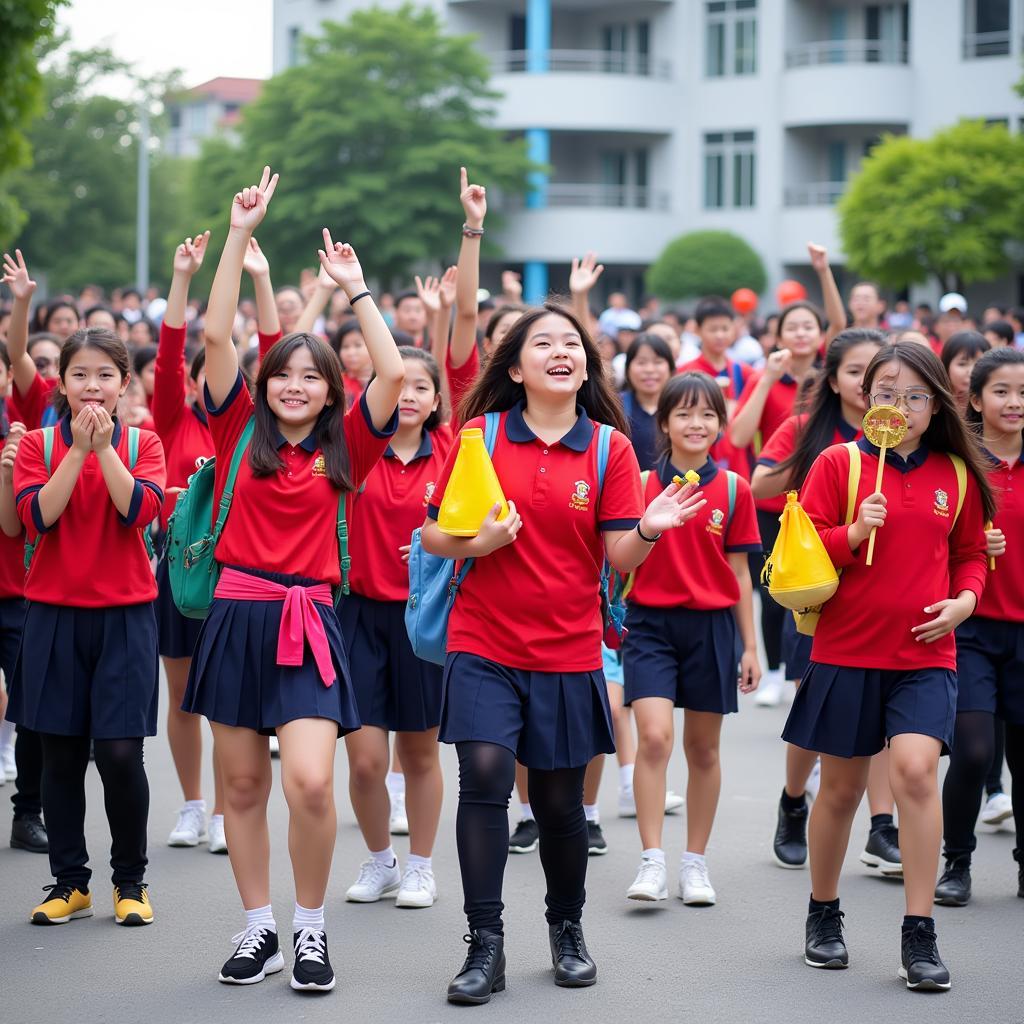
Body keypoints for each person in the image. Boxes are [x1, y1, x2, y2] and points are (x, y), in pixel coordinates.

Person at [421, 298, 707, 1005]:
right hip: (483, 637)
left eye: (572, 343)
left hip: (568, 647)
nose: (561, 351)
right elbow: (432, 536)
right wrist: (477, 544)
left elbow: (617, 557)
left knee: (558, 804)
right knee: (484, 774)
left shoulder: (611, 448)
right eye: (543, 342)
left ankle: (566, 927)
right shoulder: (479, 436)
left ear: (585, 366)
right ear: (515, 368)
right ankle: (484, 944)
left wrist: (649, 526)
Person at [180, 168, 403, 993]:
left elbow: (389, 376)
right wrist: (239, 234)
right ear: (264, 384)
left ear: (327, 389)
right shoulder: (237, 424)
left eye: (311, 377)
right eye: (283, 375)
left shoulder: (349, 445)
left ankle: (311, 929)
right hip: (237, 617)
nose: (295, 386)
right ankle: (259, 927)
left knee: (311, 781)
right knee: (241, 783)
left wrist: (356, 292)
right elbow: (212, 339)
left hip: (312, 622)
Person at [782, 341, 993, 992]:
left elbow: (970, 557)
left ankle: (919, 930)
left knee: (914, 772)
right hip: (846, 651)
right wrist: (851, 531)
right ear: (863, 400)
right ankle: (823, 913)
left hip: (926, 654)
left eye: (912, 397)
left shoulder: (957, 473)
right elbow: (801, 549)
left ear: (936, 406)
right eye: (884, 394)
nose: (897, 407)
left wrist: (965, 601)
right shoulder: (837, 464)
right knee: (841, 791)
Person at [11, 327, 166, 927]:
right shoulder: (39, 447)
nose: (92, 386)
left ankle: (130, 881)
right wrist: (76, 451)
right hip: (52, 616)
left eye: (105, 375)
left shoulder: (143, 443)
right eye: (80, 375)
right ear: (63, 384)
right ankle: (69, 882)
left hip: (125, 617)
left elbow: (139, 513)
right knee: (61, 754)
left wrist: (104, 450)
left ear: (124, 384)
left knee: (122, 754)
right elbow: (37, 519)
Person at [623, 372, 761, 905]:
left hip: (712, 628)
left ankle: (694, 863)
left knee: (703, 748)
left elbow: (742, 575)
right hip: (649, 625)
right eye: (683, 414)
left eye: (707, 414)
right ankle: (652, 860)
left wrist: (749, 646)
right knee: (654, 738)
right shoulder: (639, 484)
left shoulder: (733, 489)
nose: (696, 424)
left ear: (721, 425)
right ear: (664, 424)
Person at [750, 329, 886, 869]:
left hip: (887, 597)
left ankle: (882, 826)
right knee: (816, 706)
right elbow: (760, 485)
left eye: (879, 373)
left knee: (885, 718)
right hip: (819, 591)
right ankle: (791, 800)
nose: (870, 384)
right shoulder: (807, 427)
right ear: (833, 380)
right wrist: (817, 462)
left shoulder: (911, 437)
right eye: (856, 372)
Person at [340, 346, 450, 910]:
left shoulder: (452, 454)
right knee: (364, 759)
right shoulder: (354, 447)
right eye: (399, 385)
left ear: (436, 400)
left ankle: (421, 868)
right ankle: (381, 860)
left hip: (424, 616)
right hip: (357, 613)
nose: (407, 396)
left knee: (420, 753)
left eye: (420, 388)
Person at [935, 347, 1024, 905]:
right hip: (969, 627)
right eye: (1002, 392)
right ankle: (956, 861)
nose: (1015, 403)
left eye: (1023, 394)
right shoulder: (958, 465)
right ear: (975, 398)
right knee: (971, 751)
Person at [152, 231, 229, 854]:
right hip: (178, 572)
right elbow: (170, 355)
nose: (211, 385)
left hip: (232, 575)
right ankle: (194, 805)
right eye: (201, 378)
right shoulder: (175, 420)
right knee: (181, 696)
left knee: (227, 699)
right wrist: (183, 279)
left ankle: (230, 810)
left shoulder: (246, 435)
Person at [729, 301, 823, 706]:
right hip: (774, 507)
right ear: (778, 335)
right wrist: (766, 378)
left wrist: (822, 271)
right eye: (792, 327)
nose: (801, 333)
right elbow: (738, 435)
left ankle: (811, 672)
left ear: (820, 335)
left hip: (824, 508)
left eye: (809, 326)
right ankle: (774, 673)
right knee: (772, 592)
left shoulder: (833, 380)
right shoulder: (765, 377)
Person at [941, 331, 991, 414]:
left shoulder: (994, 404)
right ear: (946, 365)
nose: (971, 371)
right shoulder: (936, 404)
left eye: (979, 363)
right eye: (962, 364)